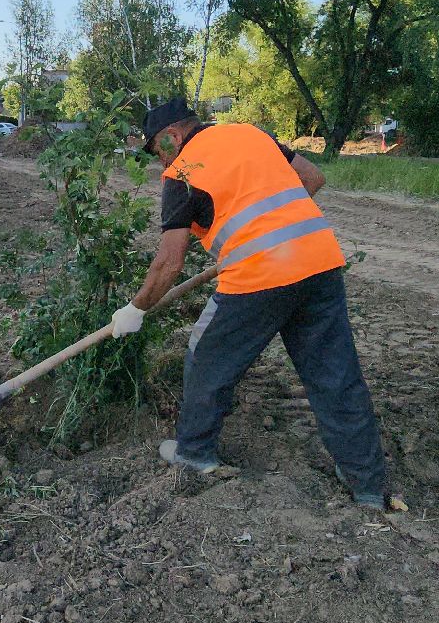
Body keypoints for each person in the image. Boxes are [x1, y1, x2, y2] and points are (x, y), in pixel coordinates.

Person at [110, 97, 403, 511]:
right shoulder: (249, 134)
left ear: (172, 135)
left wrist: (136, 309)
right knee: (335, 375)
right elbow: (313, 177)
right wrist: (269, 229)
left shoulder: (183, 173)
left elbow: (168, 263)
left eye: (157, 148)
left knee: (207, 356)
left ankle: (193, 455)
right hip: (319, 264)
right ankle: (367, 484)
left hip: (259, 276)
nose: (160, 160)